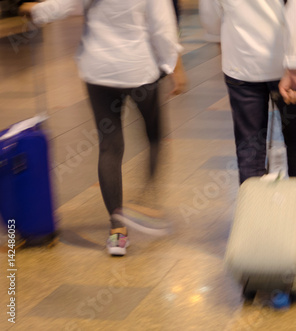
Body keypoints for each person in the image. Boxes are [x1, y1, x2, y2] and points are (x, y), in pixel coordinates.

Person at [19, 0, 186, 256]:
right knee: (154, 137)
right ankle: (145, 203)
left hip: (99, 71)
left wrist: (34, 10)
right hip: (139, 70)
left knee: (110, 146)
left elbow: (63, 5)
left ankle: (117, 231)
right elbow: (162, 28)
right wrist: (170, 65)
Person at [199, 0, 296, 186]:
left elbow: (210, 12)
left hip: (241, 59)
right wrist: (295, 67)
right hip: (285, 62)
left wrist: (216, 33)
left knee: (249, 147)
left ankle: (253, 212)